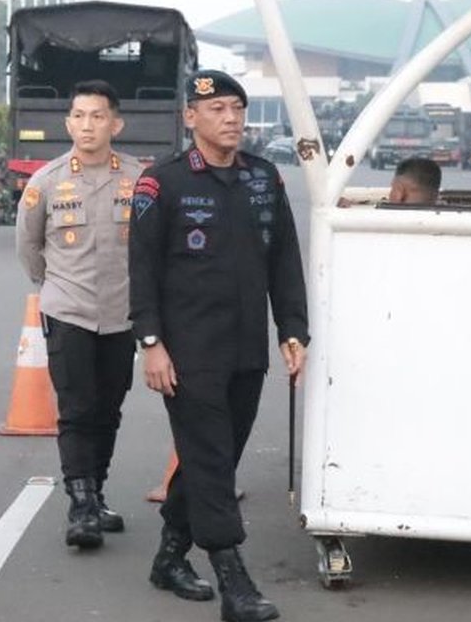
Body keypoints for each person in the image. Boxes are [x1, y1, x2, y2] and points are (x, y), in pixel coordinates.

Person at [129, 70, 308, 622]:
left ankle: (168, 557)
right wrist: (151, 343)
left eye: (236, 108)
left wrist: (292, 330)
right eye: (217, 110)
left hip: (246, 349)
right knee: (209, 457)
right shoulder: (163, 183)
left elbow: (284, 262)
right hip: (188, 352)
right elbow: (143, 271)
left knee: (217, 456)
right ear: (191, 118)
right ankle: (235, 582)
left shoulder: (263, 179)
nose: (230, 119)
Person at [15, 79, 145, 550]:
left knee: (108, 410)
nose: (87, 125)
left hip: (121, 314)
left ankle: (97, 492)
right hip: (67, 310)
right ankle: (81, 503)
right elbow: (29, 248)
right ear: (68, 122)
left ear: (116, 123)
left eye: (97, 116)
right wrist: (54, 288)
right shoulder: (46, 181)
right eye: (79, 116)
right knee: (76, 409)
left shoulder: (138, 178)